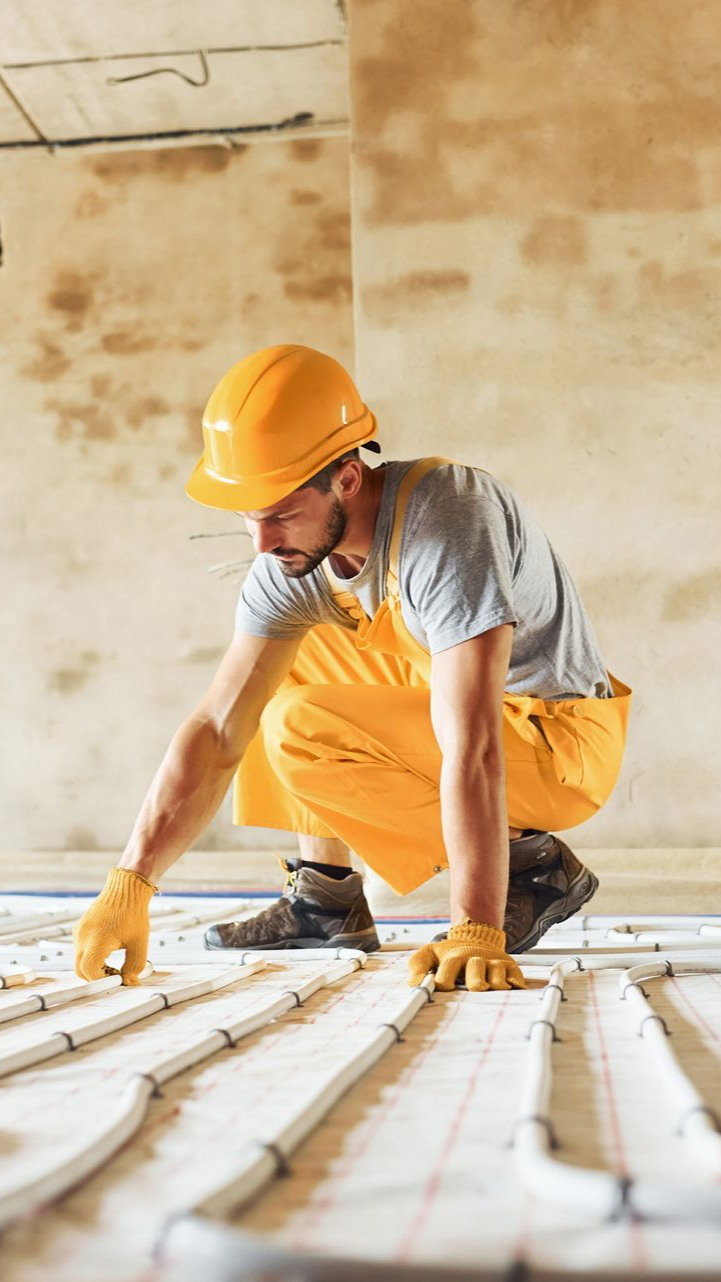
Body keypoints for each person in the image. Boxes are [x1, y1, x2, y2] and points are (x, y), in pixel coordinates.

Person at [73, 344, 631, 994]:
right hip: (471, 726)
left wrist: (476, 924)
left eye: (281, 514)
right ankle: (326, 900)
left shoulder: (447, 523)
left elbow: (471, 740)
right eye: (248, 517)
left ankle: (530, 868)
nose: (262, 542)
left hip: (558, 744)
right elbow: (219, 727)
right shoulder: (291, 561)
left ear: (345, 478)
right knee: (278, 667)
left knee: (299, 723)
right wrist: (130, 883)